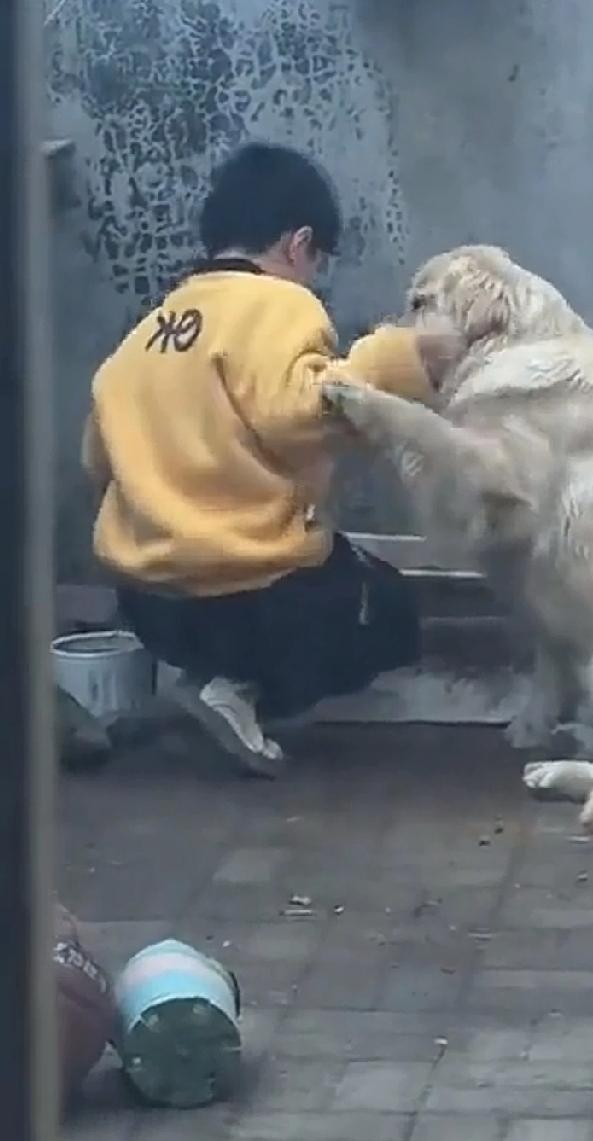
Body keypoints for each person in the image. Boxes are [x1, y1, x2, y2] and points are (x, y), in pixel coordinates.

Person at [81, 142, 460, 776]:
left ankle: (202, 684)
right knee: (389, 612)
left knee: (300, 582)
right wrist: (400, 358)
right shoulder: (280, 305)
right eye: (317, 261)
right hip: (254, 600)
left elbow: (97, 457)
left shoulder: (152, 327)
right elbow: (300, 413)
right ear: (298, 243)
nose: (314, 278)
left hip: (147, 601)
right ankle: (234, 690)